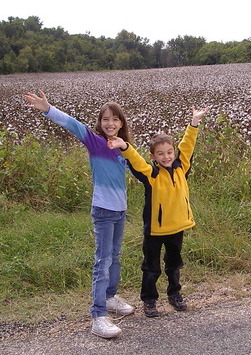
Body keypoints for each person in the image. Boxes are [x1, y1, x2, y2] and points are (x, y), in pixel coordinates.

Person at [24, 91, 134, 338]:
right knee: (103, 261)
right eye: (105, 119)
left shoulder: (124, 149)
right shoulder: (94, 142)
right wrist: (47, 108)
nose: (110, 123)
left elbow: (143, 169)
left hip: (120, 210)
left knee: (115, 256)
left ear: (122, 123)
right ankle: (98, 316)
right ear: (100, 122)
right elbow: (72, 123)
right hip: (103, 211)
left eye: (115, 119)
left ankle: (110, 297)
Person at [107, 105, 209, 317]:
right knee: (151, 268)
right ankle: (150, 300)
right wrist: (124, 146)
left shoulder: (182, 167)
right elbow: (135, 160)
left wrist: (194, 122)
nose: (166, 157)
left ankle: (175, 295)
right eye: (160, 154)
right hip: (154, 230)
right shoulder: (151, 174)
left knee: (174, 265)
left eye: (169, 152)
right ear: (153, 156)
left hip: (177, 226)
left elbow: (188, 144)